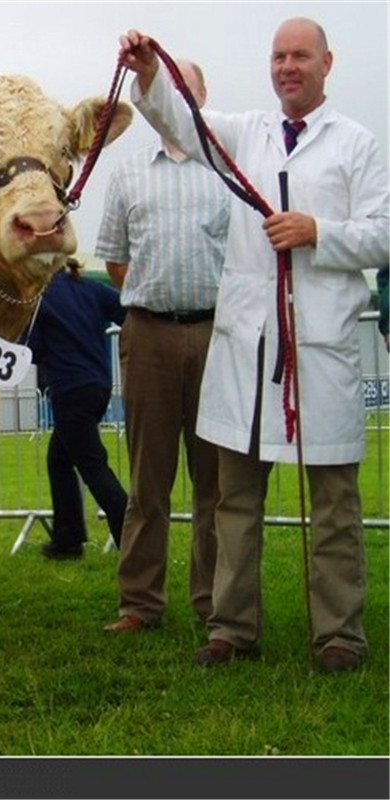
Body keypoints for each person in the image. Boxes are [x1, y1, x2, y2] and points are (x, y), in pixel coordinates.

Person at [119, 18, 390, 672]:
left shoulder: (357, 145)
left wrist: (317, 231)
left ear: (328, 62)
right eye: (278, 56)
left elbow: (382, 234)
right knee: (235, 498)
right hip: (247, 350)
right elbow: (184, 124)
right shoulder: (245, 134)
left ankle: (338, 637)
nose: (287, 66)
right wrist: (150, 74)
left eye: (300, 56)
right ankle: (232, 628)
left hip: (319, 348)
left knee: (332, 503)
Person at [95, 60, 229, 632]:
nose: (176, 99)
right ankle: (141, 605)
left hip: (218, 335)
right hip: (147, 335)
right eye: (166, 90)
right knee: (148, 480)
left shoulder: (226, 170)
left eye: (185, 89)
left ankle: (215, 601)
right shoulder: (127, 174)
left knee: (215, 481)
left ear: (203, 95)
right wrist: (159, 300)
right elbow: (115, 259)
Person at [27, 258, 128, 560]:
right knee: (59, 459)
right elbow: (127, 311)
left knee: (93, 466)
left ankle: (133, 540)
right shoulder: (92, 289)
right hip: (98, 386)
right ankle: (67, 538)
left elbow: (30, 348)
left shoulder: (39, 300)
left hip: (69, 389)